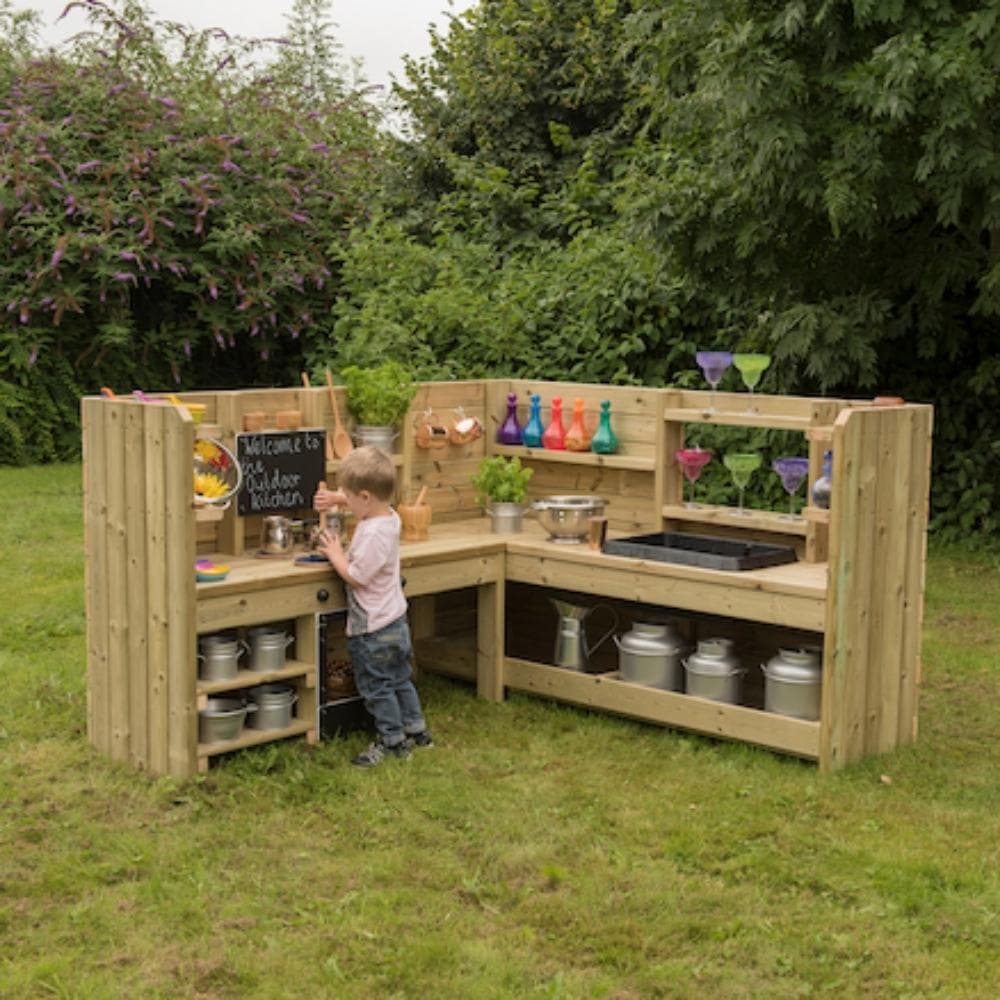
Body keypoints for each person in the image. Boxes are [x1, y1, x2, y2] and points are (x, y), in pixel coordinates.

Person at [314, 446, 433, 767]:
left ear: (364, 497)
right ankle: (416, 729)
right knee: (399, 679)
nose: (346, 503)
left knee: (378, 688)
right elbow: (367, 500)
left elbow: (357, 577)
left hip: (373, 629)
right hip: (396, 621)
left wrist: (335, 553)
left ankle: (392, 741)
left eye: (349, 498)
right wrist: (339, 499)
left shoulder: (369, 535)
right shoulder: (390, 517)